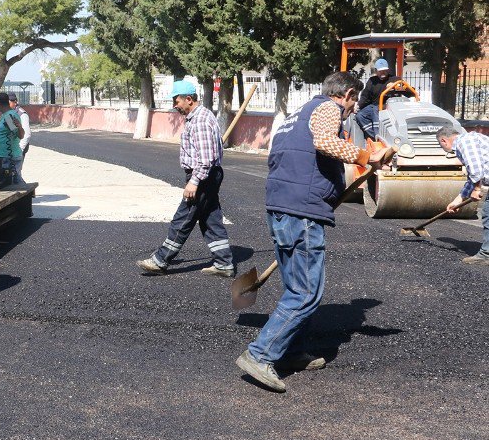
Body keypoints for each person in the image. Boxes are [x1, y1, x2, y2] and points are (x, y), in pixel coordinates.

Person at [236, 71, 391, 393]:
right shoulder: (328, 109)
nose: (351, 110)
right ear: (347, 94)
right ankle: (260, 354)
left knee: (296, 287)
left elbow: (291, 157)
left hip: (282, 207)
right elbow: (324, 142)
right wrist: (366, 156)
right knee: (306, 293)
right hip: (301, 212)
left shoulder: (296, 116)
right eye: (353, 103)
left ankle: (290, 352)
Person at [136, 79, 234, 277]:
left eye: (176, 101)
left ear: (189, 99)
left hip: (203, 177)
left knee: (183, 218)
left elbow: (205, 160)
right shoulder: (200, 116)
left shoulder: (200, 121)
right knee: (210, 219)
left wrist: (194, 181)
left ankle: (161, 260)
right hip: (207, 175)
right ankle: (224, 263)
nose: (175, 105)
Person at [438, 125, 489, 265]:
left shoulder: (464, 142)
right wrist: (458, 200)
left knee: (488, 215)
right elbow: (472, 178)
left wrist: (477, 189)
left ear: (443, 140)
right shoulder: (470, 139)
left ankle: (486, 254)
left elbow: (476, 168)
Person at [355, 57, 396, 139]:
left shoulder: (395, 79)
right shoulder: (372, 81)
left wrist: (395, 86)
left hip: (389, 105)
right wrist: (358, 106)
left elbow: (407, 90)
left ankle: (380, 136)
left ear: (388, 70)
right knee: (360, 115)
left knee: (375, 110)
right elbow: (365, 96)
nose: (382, 72)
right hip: (374, 105)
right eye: (380, 71)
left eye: (384, 70)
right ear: (376, 70)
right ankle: (374, 136)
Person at [0, 92, 24, 183]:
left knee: (13, 182)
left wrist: (19, 127)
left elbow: (20, 135)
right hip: (5, 155)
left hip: (8, 157)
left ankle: (27, 193)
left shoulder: (9, 116)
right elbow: (10, 131)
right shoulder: (7, 115)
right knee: (13, 181)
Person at [8, 92, 31, 181]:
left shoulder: (22, 114)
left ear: (15, 102)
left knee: (16, 172)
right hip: (10, 147)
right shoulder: (9, 113)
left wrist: (20, 149)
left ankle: (22, 189)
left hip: (19, 147)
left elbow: (27, 134)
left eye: (9, 102)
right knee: (10, 172)